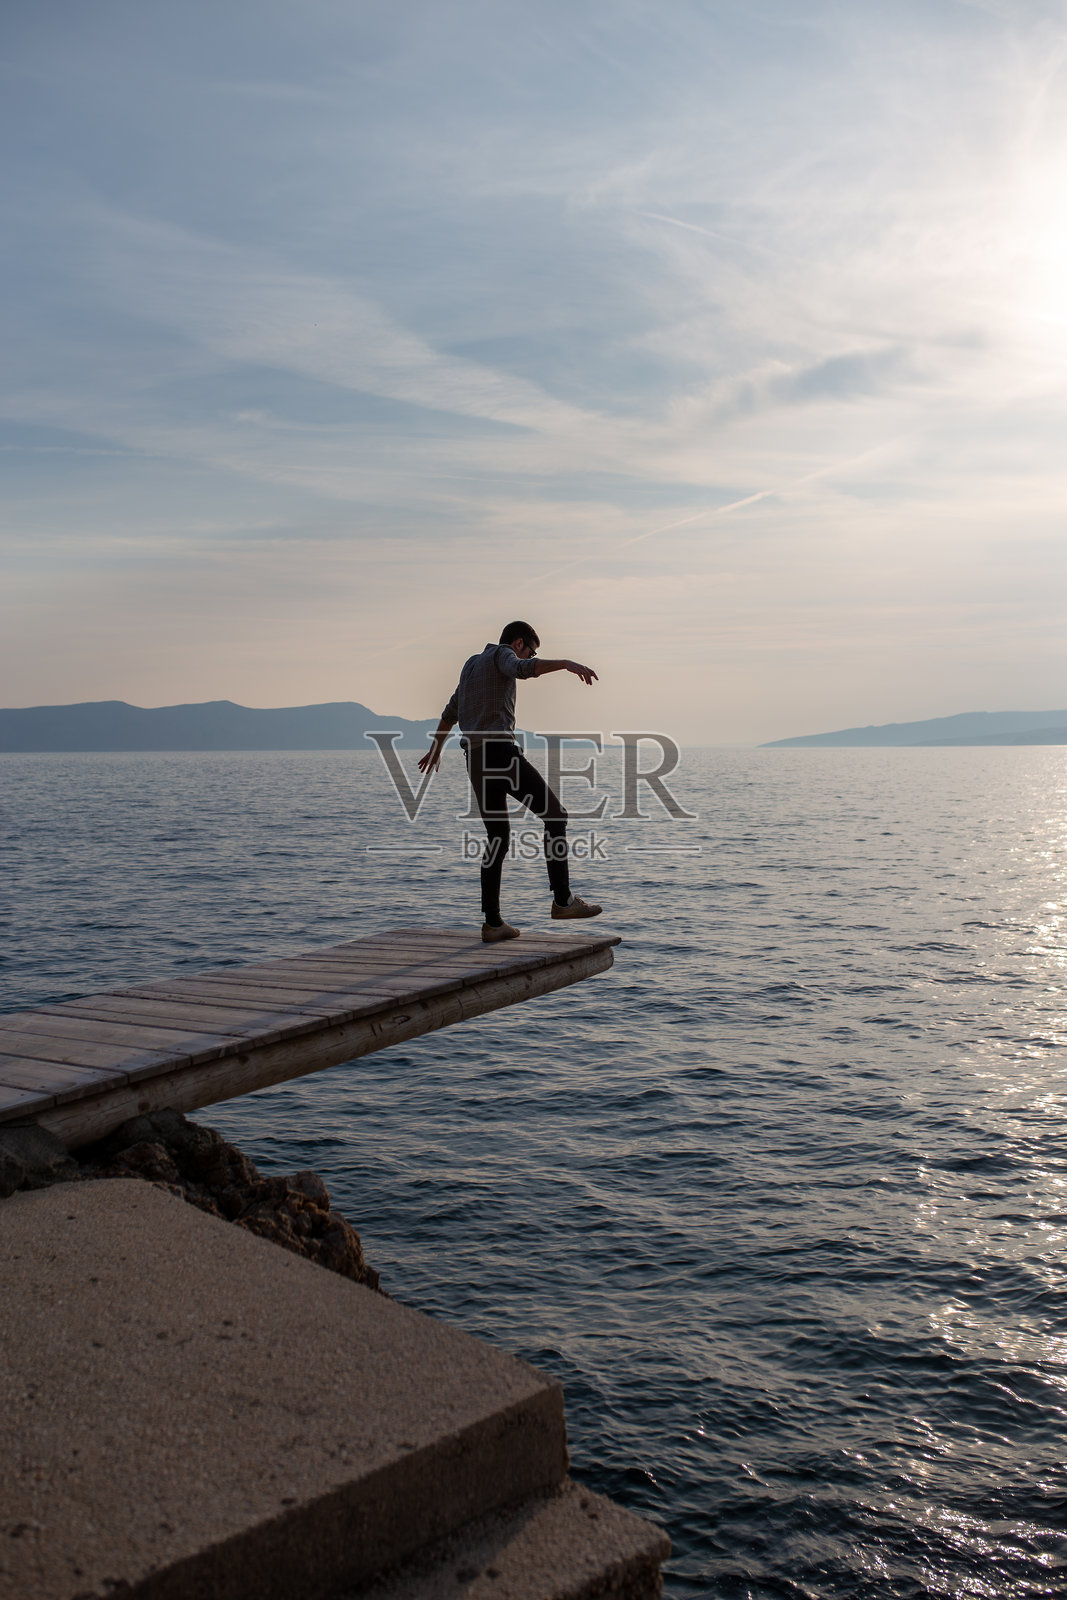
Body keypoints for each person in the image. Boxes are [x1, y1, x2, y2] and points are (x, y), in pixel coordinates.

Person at [418, 622, 603, 942]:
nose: (530, 656)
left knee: (498, 837)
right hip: (500, 754)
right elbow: (522, 669)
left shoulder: (471, 665)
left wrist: (436, 748)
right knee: (555, 816)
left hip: (475, 760)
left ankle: (492, 923)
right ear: (518, 643)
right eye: (531, 650)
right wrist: (565, 664)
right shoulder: (503, 654)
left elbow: (450, 712)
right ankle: (563, 901)